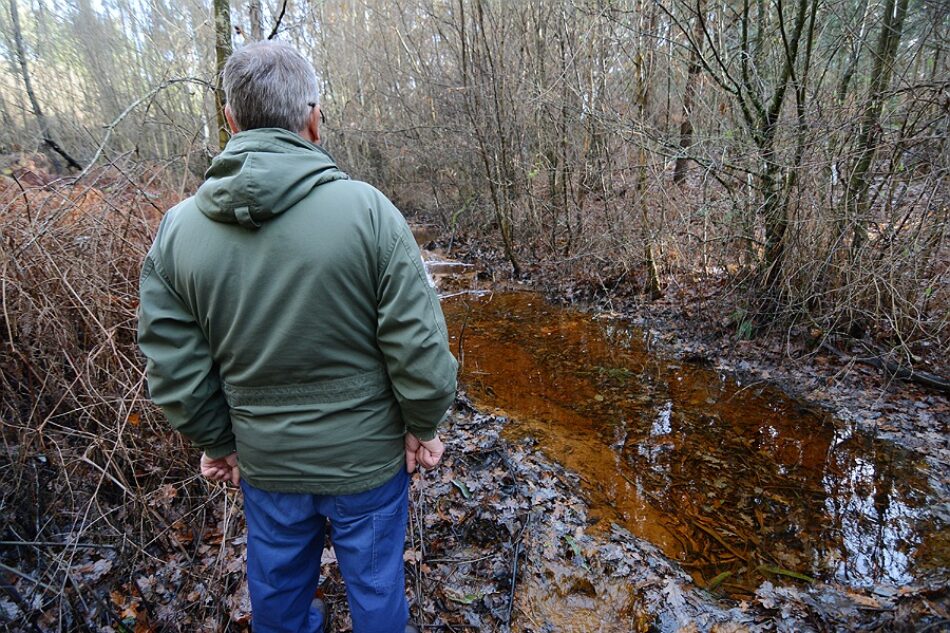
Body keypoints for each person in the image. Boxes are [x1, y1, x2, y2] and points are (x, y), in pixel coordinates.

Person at [137, 40, 458, 633]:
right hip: (367, 463)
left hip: (266, 464)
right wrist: (422, 424)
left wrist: (216, 440)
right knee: (377, 592)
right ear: (312, 118)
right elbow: (418, 346)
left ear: (230, 120)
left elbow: (174, 367)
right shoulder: (370, 212)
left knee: (278, 600)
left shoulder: (177, 233)